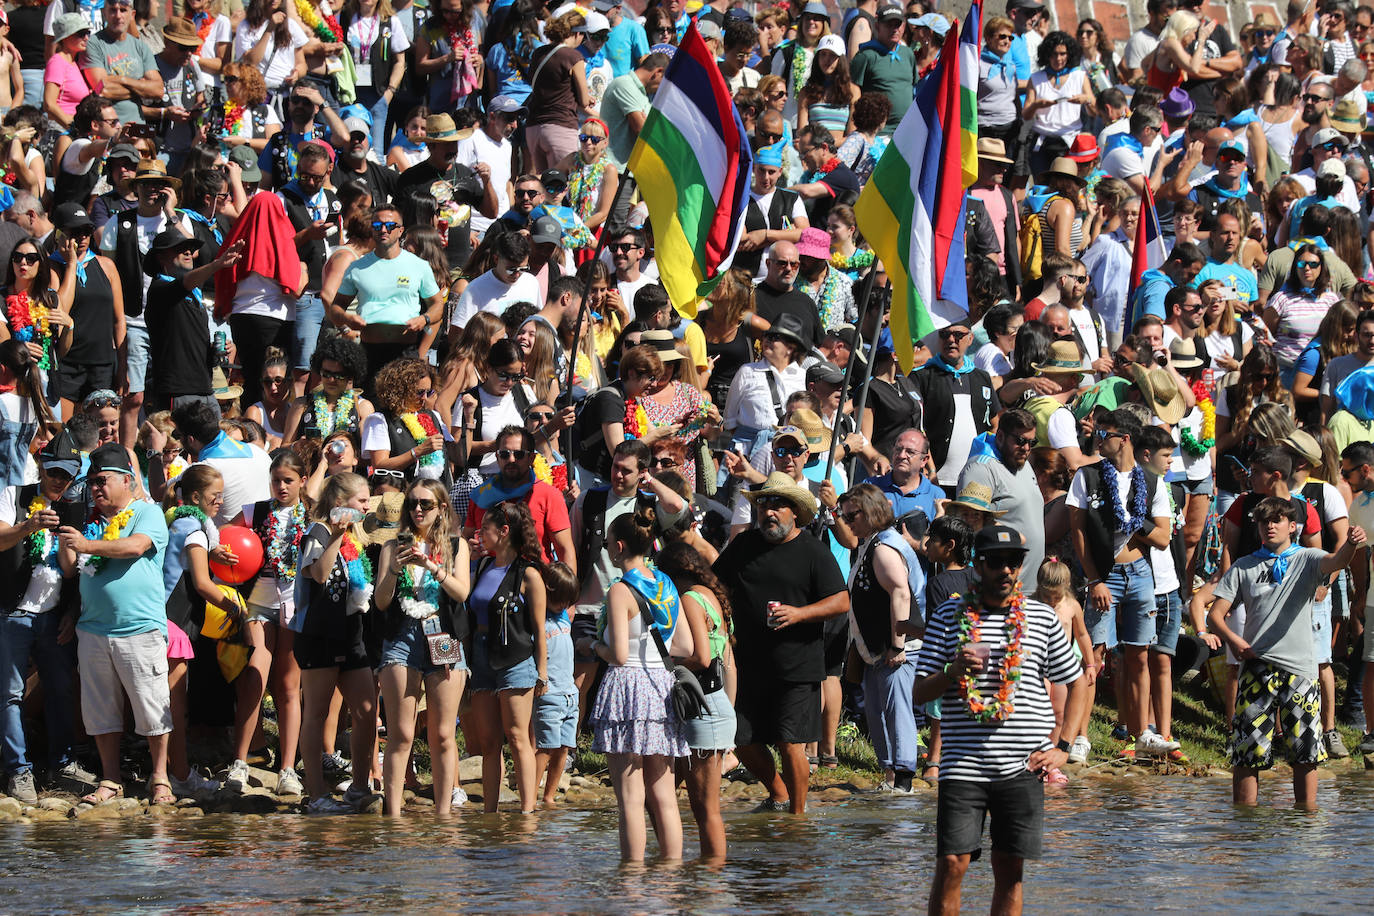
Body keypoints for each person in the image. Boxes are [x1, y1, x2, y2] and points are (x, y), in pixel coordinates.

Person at [913, 524, 1089, 916]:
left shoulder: (1041, 618)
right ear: (979, 565)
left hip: (1023, 768)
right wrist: (952, 671)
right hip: (962, 766)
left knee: (1010, 870)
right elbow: (920, 691)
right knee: (952, 865)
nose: (1006, 570)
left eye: (1014, 562)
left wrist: (1064, 747)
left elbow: (1077, 683)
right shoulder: (947, 615)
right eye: (996, 561)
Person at [1208, 497, 1365, 810]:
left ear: (1293, 526)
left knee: (1305, 753)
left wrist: (1351, 544)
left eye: (1277, 520)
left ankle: (1306, 820)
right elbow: (1215, 614)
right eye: (1264, 521)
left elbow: (1337, 562)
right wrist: (1234, 641)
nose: (1269, 526)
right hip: (1256, 668)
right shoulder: (1244, 565)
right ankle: (1246, 823)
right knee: (1246, 753)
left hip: (1300, 671)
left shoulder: (1307, 558)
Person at [712, 472, 849, 814]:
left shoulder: (813, 551)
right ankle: (778, 793)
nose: (768, 512)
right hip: (747, 663)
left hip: (797, 666)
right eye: (764, 505)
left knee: (790, 745)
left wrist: (799, 614)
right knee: (741, 739)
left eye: (778, 505)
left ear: (795, 512)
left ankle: (797, 818)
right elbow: (715, 584)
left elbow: (841, 601)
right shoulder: (743, 545)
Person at [56, 443, 173, 807]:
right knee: (99, 709)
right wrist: (68, 536)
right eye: (91, 482)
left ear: (128, 480)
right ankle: (110, 779)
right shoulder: (90, 524)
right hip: (93, 629)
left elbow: (135, 547)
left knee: (152, 706)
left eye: (103, 480)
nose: (96, 488)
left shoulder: (147, 514)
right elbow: (68, 567)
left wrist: (86, 544)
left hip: (139, 627)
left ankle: (160, 779)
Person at [578, 502, 688, 860]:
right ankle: (671, 874)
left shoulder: (621, 591)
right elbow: (684, 645)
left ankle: (632, 878)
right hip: (662, 686)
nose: (606, 547)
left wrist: (592, 643)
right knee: (664, 795)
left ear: (619, 547)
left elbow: (620, 655)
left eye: (608, 542)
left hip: (628, 687)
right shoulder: (667, 583)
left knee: (630, 796)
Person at [1067, 408, 1175, 757]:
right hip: (1105, 575)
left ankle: (1141, 732)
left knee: (1139, 655)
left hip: (1141, 573)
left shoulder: (1152, 480)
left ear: (1124, 439)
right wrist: (1095, 579)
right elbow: (1078, 532)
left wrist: (1133, 522)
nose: (1097, 438)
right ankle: (1080, 736)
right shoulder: (1087, 476)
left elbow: (1162, 537)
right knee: (1093, 655)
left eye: (1104, 433)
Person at [372, 479, 471, 818]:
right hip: (402, 637)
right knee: (401, 733)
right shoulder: (389, 548)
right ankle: (393, 815)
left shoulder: (456, 547)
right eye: (412, 504)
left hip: (442, 634)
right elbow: (382, 602)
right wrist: (396, 568)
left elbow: (461, 593)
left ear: (442, 508)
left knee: (443, 733)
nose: (417, 510)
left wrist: (430, 566)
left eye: (426, 504)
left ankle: (444, 814)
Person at [0, 432, 88, 803]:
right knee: (9, 694)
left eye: (66, 475)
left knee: (61, 689)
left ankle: (62, 763)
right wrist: (28, 526)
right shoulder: (13, 495)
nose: (58, 480)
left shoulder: (76, 508)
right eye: (53, 472)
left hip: (53, 616)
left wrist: (71, 610)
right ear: (42, 466)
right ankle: (18, 771)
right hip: (11, 612)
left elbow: (76, 572)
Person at [291, 471, 379, 814]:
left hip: (351, 633)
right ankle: (316, 795)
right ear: (340, 503)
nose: (367, 506)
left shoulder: (354, 539)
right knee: (315, 713)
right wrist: (336, 536)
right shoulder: (318, 532)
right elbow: (320, 574)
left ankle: (359, 787)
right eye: (361, 500)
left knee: (366, 710)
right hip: (318, 633)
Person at [841, 482, 923, 792]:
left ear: (872, 512)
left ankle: (902, 781)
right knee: (876, 712)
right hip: (877, 649)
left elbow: (900, 594)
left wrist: (896, 645)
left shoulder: (885, 547)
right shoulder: (872, 543)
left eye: (853, 516)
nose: (848, 522)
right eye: (845, 516)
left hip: (898, 648)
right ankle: (889, 775)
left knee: (895, 710)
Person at [466, 499, 547, 814]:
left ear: (504, 531)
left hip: (516, 660)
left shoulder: (528, 574)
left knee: (517, 736)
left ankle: (528, 811)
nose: (479, 532)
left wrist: (542, 672)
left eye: (485, 527)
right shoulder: (483, 565)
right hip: (482, 656)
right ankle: (490, 811)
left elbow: (539, 629)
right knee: (488, 742)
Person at [328, 203, 444, 378]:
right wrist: (346, 319)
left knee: (408, 405)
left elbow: (437, 304)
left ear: (400, 230)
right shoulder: (357, 267)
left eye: (390, 226)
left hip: (406, 352)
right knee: (370, 405)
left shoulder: (419, 266)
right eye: (377, 225)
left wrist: (424, 319)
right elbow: (336, 307)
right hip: (369, 352)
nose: (383, 230)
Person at [958, 410, 1047, 582]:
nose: (1026, 448)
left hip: (1029, 583)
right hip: (997, 585)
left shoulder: (1023, 464)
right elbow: (970, 525)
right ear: (1000, 436)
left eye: (1031, 442)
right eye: (1020, 441)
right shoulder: (981, 468)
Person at [84, 0, 163, 126]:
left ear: (132, 15)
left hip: (138, 127)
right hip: (108, 129)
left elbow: (158, 90)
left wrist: (122, 80)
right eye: (113, 10)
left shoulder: (141, 47)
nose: (118, 15)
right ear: (104, 13)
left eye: (123, 10)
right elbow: (102, 89)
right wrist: (141, 87)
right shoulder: (94, 44)